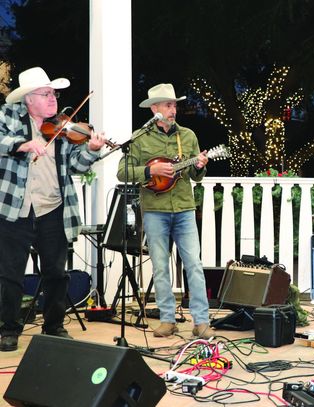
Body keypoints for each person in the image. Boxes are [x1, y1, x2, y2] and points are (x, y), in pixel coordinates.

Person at [0, 67, 106, 352]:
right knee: (9, 274)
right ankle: (8, 329)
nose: (53, 99)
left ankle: (54, 326)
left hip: (52, 209)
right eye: (46, 94)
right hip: (14, 211)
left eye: (53, 94)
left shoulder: (61, 127)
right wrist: (24, 144)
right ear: (28, 99)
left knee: (56, 273)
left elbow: (76, 165)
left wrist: (92, 150)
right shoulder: (7, 117)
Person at [117, 83, 211, 339]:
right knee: (160, 266)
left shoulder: (188, 136)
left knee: (194, 264)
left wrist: (200, 165)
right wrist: (150, 171)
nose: (173, 109)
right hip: (155, 209)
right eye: (168, 105)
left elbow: (196, 176)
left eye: (174, 104)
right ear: (155, 109)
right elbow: (123, 172)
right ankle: (167, 319)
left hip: (184, 208)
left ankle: (201, 321)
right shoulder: (139, 137)